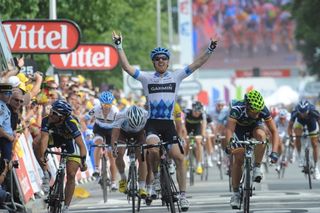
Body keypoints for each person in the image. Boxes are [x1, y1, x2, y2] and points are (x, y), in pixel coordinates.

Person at [112, 30, 218, 211]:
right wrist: (119, 46)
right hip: (152, 123)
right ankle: (155, 179)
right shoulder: (146, 77)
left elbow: (197, 63)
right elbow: (127, 68)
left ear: (168, 61)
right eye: (157, 59)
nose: (161, 61)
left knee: (179, 157)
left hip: (168, 124)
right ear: (153, 62)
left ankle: (183, 196)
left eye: (164, 58)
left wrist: (210, 48)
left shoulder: (176, 76)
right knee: (152, 150)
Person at [225, 90, 279, 209]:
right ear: (247, 106)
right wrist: (229, 145)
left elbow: (274, 131)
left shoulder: (262, 109)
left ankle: (257, 167)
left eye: (258, 112)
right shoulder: (237, 109)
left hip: (255, 127)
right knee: (238, 159)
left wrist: (275, 152)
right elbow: (229, 129)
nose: (257, 114)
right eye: (254, 112)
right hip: (238, 129)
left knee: (262, 136)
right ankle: (235, 193)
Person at [38, 100, 87, 213]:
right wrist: (43, 155)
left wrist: (83, 162)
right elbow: (44, 138)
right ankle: (46, 173)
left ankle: (66, 207)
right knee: (36, 142)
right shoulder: (47, 120)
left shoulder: (71, 123)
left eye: (54, 113)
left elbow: (81, 145)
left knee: (71, 174)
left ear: (62, 117)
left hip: (71, 144)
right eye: (51, 111)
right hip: (57, 139)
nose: (51, 114)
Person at [111, 105, 148, 198]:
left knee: (142, 157)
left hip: (140, 133)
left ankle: (142, 187)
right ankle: (123, 178)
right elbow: (114, 134)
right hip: (123, 133)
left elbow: (149, 131)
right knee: (119, 153)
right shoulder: (121, 115)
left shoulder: (146, 115)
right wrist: (113, 148)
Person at [88, 91, 119, 191]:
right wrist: (86, 130)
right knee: (98, 144)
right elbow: (84, 119)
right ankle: (96, 168)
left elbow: (120, 126)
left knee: (111, 157)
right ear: (101, 104)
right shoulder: (95, 109)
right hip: (99, 130)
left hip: (111, 131)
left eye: (109, 104)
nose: (107, 107)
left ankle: (114, 182)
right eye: (104, 104)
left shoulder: (115, 111)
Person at [288, 100, 320, 179]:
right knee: (297, 135)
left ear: (308, 110)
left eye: (305, 113)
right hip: (300, 123)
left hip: (312, 123)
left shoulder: (313, 111)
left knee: (315, 144)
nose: (303, 114)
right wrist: (291, 136)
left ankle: (316, 168)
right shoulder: (295, 112)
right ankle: (299, 157)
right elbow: (290, 126)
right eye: (301, 113)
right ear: (298, 111)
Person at [184, 101, 207, 175]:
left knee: (198, 142)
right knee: (186, 142)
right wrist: (183, 136)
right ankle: (186, 158)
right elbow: (182, 125)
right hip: (187, 128)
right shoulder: (186, 113)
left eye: (199, 111)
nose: (198, 113)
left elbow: (203, 126)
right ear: (193, 109)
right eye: (196, 111)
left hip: (197, 129)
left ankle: (199, 164)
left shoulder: (202, 114)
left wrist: (203, 136)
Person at [0, 83, 15, 161]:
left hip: (6, 140)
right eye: (6, 93)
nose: (9, 96)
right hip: (4, 140)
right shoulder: (1, 107)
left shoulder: (4, 105)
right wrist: (10, 137)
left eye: (10, 93)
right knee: (4, 167)